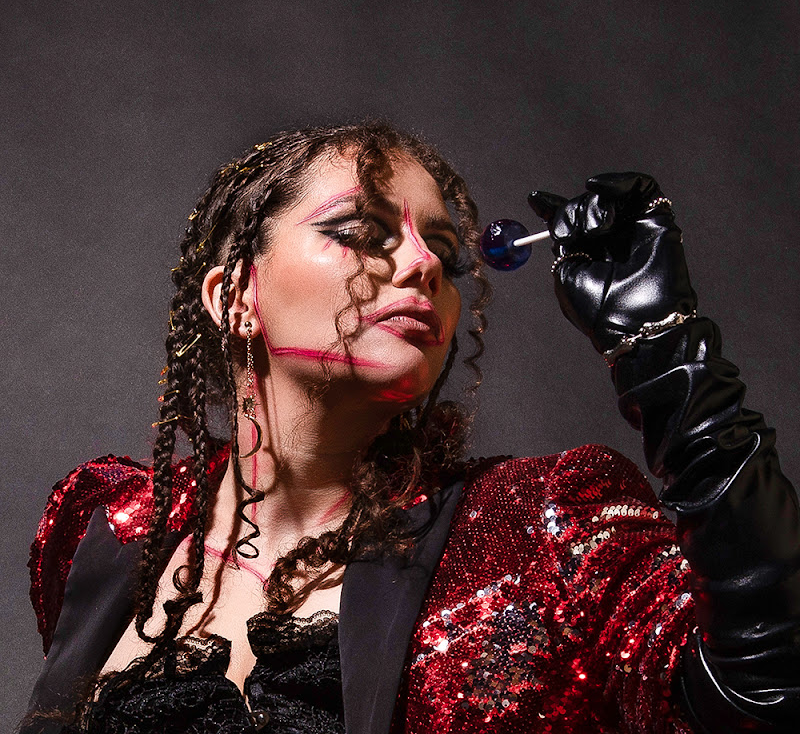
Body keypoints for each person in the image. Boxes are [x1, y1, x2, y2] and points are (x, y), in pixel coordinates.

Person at [20, 123, 800, 734]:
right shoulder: (108, 524)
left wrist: (665, 352)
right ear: (235, 298)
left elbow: (763, 694)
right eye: (360, 233)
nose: (424, 265)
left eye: (448, 257)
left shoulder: (545, 524)